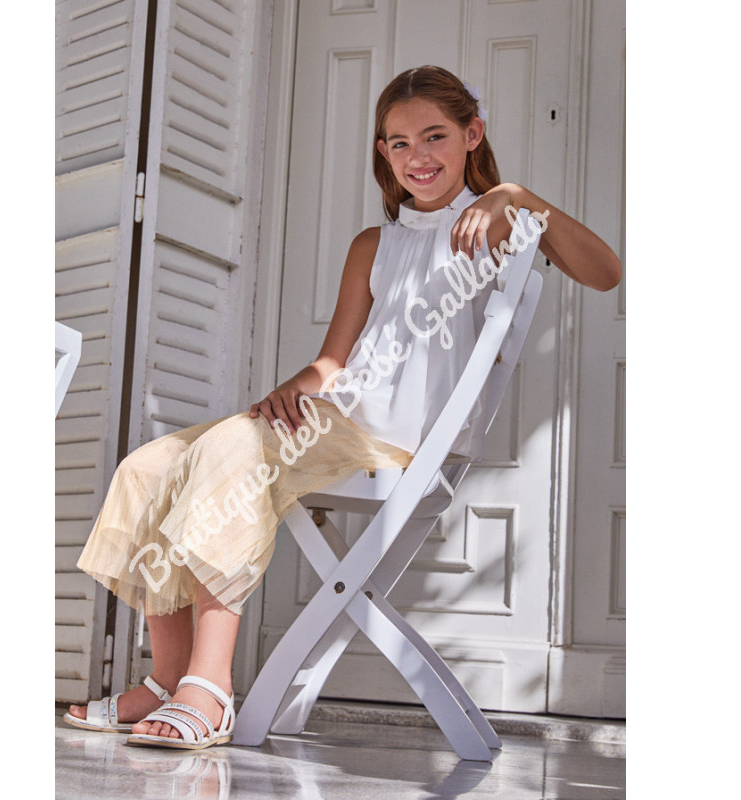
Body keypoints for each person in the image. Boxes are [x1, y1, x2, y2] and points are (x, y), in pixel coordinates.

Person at [64, 65, 621, 750]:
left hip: (404, 439)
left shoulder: (494, 223)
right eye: (398, 143)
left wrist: (514, 195)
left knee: (231, 451)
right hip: (340, 417)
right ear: (383, 152)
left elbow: (605, 273)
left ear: (472, 134)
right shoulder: (372, 244)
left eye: (435, 136)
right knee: (151, 465)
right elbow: (333, 363)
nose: (417, 156)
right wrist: (294, 388)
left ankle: (210, 687)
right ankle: (166, 678)